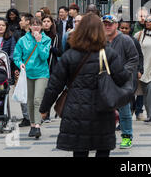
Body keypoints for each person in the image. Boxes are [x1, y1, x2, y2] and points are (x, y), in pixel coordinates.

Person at [39, 13, 130, 157]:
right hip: (103, 110)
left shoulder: (70, 55)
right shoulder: (108, 54)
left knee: (80, 149)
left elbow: (54, 85)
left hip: (76, 110)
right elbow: (122, 79)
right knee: (102, 149)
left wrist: (44, 109)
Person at [102, 15, 139, 149]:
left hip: (123, 81)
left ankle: (127, 136)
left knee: (124, 110)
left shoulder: (125, 40)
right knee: (103, 110)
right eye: (105, 24)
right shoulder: (100, 40)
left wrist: (123, 72)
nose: (107, 26)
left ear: (116, 25)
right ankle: (103, 137)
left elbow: (134, 58)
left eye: (110, 24)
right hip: (105, 81)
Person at [13, 17, 51, 139]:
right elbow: (17, 56)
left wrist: (39, 42)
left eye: (38, 24)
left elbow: (44, 56)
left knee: (37, 99)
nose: (36, 27)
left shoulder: (46, 39)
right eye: (33, 25)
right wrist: (20, 64)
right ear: (29, 27)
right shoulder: (22, 40)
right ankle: (32, 124)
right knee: (29, 100)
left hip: (42, 73)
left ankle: (38, 126)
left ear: (41, 27)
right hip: (27, 73)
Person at [119, 20, 145, 121]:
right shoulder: (115, 40)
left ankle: (129, 114)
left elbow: (139, 56)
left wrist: (140, 70)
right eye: (122, 28)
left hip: (132, 73)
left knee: (129, 94)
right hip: (119, 72)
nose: (124, 30)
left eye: (126, 28)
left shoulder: (134, 41)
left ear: (130, 29)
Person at [13, 13, 33, 127]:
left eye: (22, 20)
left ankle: (34, 116)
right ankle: (26, 117)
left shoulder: (36, 35)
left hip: (34, 69)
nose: (20, 22)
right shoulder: (18, 35)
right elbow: (16, 54)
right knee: (22, 92)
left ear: (28, 22)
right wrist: (17, 68)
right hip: (21, 68)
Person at [41, 15, 62, 122]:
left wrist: (51, 48)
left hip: (51, 65)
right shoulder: (38, 35)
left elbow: (60, 52)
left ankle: (46, 114)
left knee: (48, 90)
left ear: (51, 23)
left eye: (48, 21)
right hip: (39, 65)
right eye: (44, 21)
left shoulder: (56, 36)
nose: (46, 23)